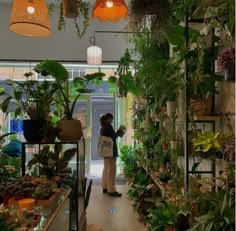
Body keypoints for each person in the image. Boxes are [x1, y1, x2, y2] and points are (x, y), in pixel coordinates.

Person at [101, 113, 124, 197]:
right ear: (108, 119)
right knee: (111, 170)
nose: (112, 120)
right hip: (111, 151)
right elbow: (114, 136)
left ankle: (105, 187)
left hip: (105, 151)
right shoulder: (108, 127)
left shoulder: (103, 127)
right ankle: (111, 190)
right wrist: (119, 131)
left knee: (106, 168)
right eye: (111, 119)